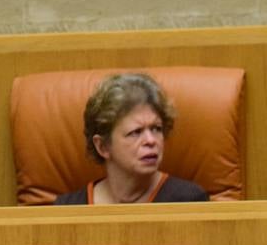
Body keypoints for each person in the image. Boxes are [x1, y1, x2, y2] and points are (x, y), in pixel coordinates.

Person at [54, 73, 209, 205]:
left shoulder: (189, 201)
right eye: (136, 132)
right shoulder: (68, 208)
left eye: (156, 129)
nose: (151, 140)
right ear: (103, 146)